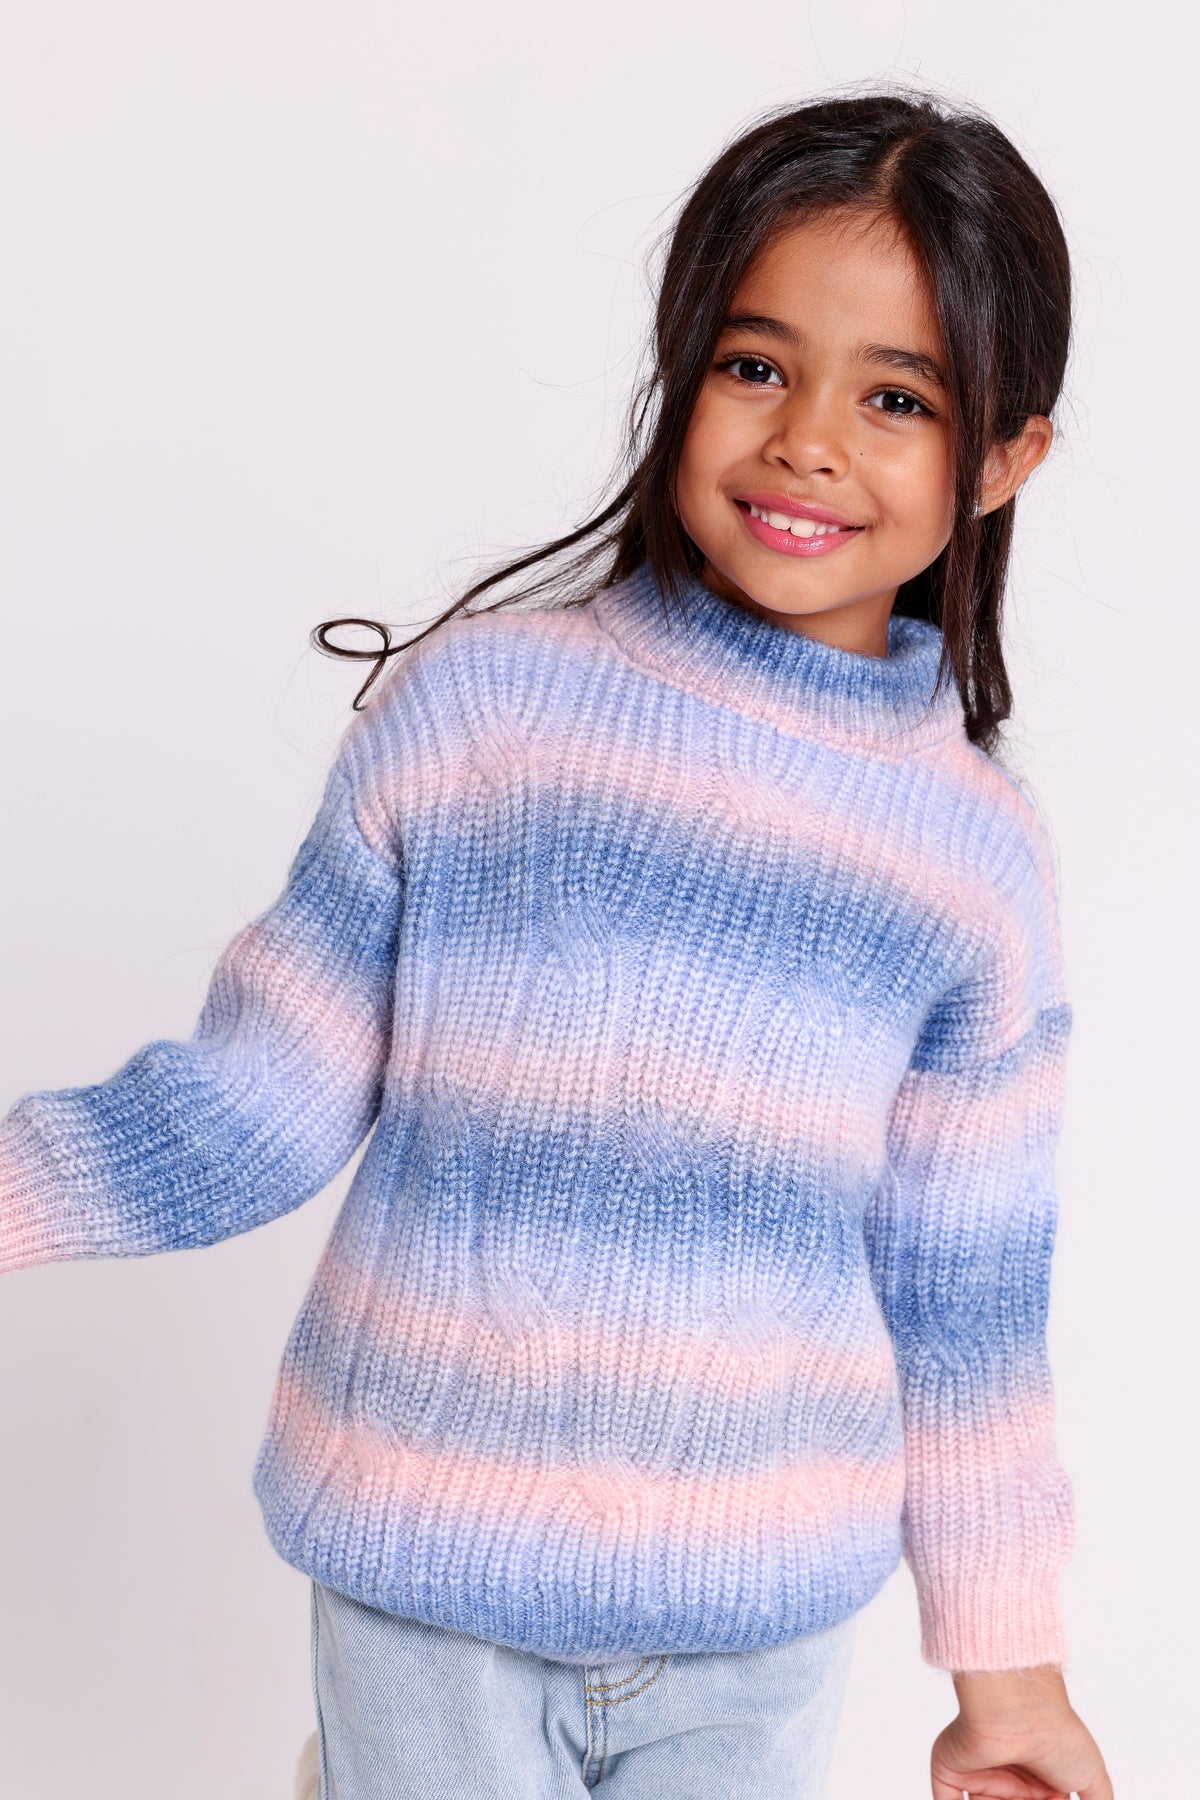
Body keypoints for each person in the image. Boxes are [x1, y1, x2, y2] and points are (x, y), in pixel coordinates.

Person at [0, 90, 1113, 1800]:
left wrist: (1009, 1682)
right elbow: (256, 1105)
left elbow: (967, 1308)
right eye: (756, 366)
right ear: (681, 369)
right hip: (422, 1586)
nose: (810, 440)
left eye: (897, 398)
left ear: (1005, 458)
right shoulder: (480, 719)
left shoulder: (974, 863)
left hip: (756, 1627)